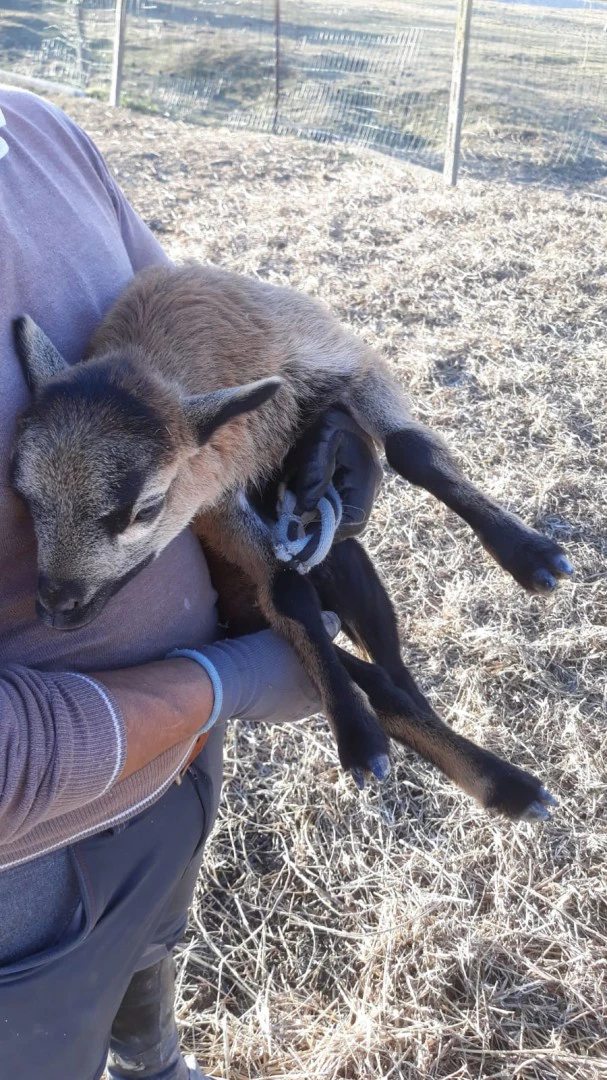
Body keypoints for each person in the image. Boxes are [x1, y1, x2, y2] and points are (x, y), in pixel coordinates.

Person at [0, 87, 383, 1080]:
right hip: (28, 872)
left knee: (152, 955)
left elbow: (180, 343)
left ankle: (153, 1057)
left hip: (177, 774)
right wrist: (217, 686)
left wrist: (310, 443)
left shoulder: (36, 132)